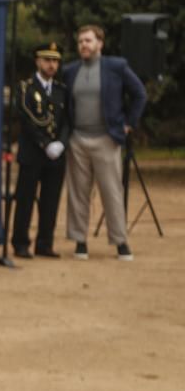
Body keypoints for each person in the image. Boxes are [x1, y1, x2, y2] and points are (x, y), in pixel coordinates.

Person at [60, 24, 147, 261]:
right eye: (80, 42)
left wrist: (128, 124)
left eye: (88, 41)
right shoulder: (70, 70)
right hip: (78, 139)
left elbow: (140, 93)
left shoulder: (116, 67)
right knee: (78, 193)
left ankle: (120, 242)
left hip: (107, 139)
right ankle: (80, 241)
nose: (83, 45)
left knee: (112, 192)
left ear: (100, 43)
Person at [12, 42, 68, 258]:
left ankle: (45, 243)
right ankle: (20, 242)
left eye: (55, 61)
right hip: (33, 152)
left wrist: (61, 143)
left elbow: (67, 121)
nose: (51, 65)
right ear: (38, 61)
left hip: (56, 155)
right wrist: (45, 144)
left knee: (50, 201)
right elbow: (26, 119)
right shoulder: (26, 88)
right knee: (25, 199)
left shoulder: (61, 90)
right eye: (47, 60)